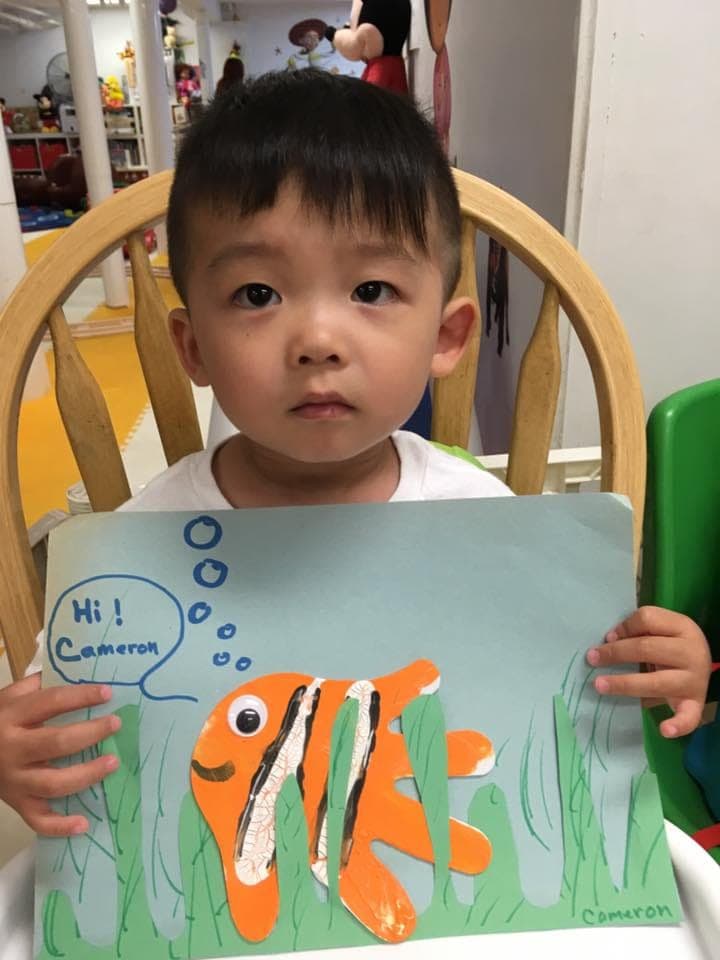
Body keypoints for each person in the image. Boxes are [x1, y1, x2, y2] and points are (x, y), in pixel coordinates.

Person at [0, 70, 712, 838]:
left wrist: (663, 662)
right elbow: (57, 710)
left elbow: (567, 683)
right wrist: (16, 750)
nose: (317, 341)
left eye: (371, 290)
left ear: (446, 337)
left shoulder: (484, 527)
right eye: (256, 295)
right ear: (192, 347)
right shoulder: (141, 544)